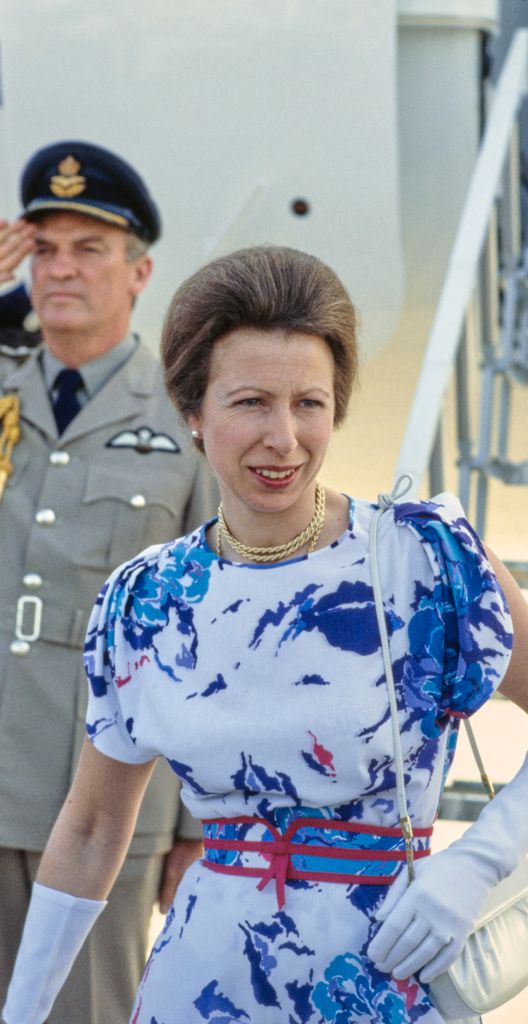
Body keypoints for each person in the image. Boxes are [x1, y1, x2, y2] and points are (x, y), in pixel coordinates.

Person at [3, 245, 528, 1024]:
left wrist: (477, 863)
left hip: (385, 976)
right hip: (201, 982)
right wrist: (22, 1013)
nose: (284, 439)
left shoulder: (425, 558)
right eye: (251, 402)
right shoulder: (145, 600)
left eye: (310, 404)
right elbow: (90, 832)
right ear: (193, 411)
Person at [0, 141, 218, 1024]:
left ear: (139, 273)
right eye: (43, 248)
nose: (60, 269)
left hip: (101, 817)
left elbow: (218, 632)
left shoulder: (191, 418)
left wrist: (200, 827)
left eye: (89, 249)